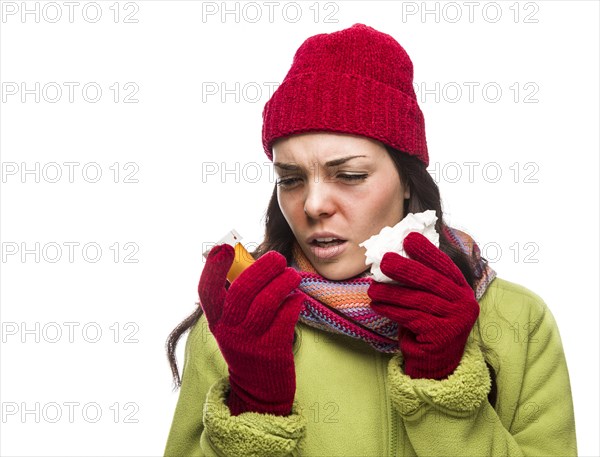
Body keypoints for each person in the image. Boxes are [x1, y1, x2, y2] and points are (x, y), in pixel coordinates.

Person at [164, 24, 577, 456]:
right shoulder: (239, 326)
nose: (313, 205)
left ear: (406, 180)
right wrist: (254, 406)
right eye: (291, 179)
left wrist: (444, 387)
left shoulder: (516, 322)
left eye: (350, 176)